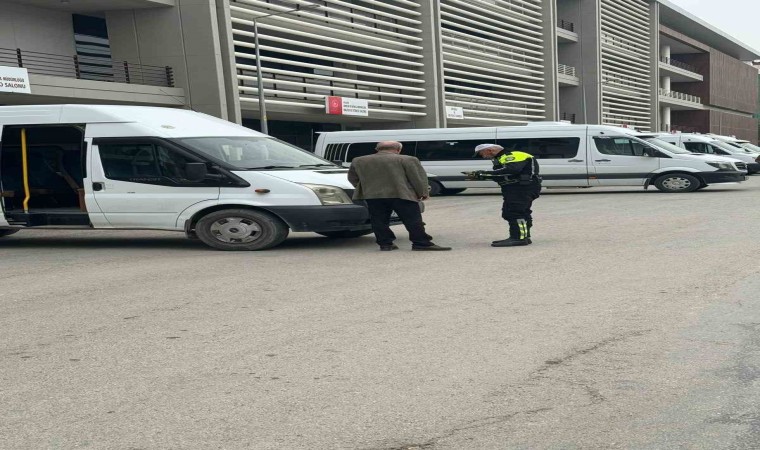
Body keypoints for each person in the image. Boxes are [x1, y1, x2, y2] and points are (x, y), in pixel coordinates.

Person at [347, 141, 451, 251]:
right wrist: (423, 193)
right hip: (402, 194)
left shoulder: (359, 160)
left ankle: (385, 244)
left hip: (373, 196)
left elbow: (352, 178)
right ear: (398, 149)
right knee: (412, 220)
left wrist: (366, 189)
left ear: (377, 149)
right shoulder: (408, 159)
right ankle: (421, 243)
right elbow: (417, 178)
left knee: (379, 220)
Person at [467, 144, 541, 247]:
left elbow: (512, 170)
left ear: (489, 150)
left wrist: (486, 173)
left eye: (481, 153)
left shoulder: (512, 155)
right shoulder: (502, 158)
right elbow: (502, 175)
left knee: (514, 212)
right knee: (520, 212)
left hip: (521, 188)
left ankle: (518, 238)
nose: (483, 156)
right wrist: (483, 176)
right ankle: (524, 236)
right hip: (518, 188)